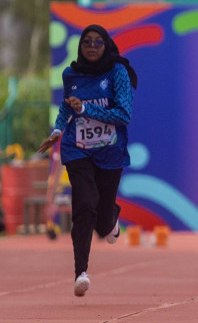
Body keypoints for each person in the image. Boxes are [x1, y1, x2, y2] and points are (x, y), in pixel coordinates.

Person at [39, 25, 137, 297]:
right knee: (84, 204)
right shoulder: (71, 74)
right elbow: (65, 107)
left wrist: (87, 108)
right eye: (86, 42)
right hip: (77, 148)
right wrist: (57, 131)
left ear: (106, 45)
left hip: (110, 151)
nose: (92, 47)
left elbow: (124, 115)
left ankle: (110, 217)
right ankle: (80, 272)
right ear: (80, 47)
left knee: (103, 221)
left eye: (97, 42)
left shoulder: (117, 72)